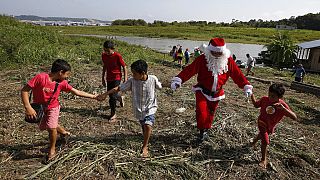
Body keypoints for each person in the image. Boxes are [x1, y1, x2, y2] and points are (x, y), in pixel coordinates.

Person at [171, 37, 253, 142]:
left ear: (223, 52)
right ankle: (201, 130)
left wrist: (246, 86)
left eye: (219, 53)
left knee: (211, 113)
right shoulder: (202, 59)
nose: (216, 55)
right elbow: (190, 70)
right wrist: (179, 80)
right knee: (201, 111)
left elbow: (238, 75)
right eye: (214, 53)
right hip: (202, 90)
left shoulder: (229, 61)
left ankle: (206, 129)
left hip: (217, 93)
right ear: (209, 50)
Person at [21, 59, 98, 161]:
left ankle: (52, 150)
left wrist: (94, 97)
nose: (67, 76)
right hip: (40, 108)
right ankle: (65, 133)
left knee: (51, 128)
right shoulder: (41, 77)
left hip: (53, 107)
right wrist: (28, 107)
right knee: (48, 126)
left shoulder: (62, 83)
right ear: (60, 72)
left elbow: (76, 92)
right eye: (67, 74)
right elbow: (25, 90)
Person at [97, 60, 162, 157]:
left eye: (135, 73)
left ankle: (145, 146)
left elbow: (159, 86)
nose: (133, 75)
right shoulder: (132, 81)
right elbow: (118, 88)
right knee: (144, 126)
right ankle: (146, 137)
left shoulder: (153, 79)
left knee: (148, 125)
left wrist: (171, 84)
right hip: (139, 109)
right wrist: (105, 94)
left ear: (143, 73)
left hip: (150, 108)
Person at [249, 83, 297, 169]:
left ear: (280, 97)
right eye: (269, 95)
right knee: (265, 141)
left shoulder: (281, 105)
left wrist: (284, 109)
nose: (270, 98)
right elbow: (256, 105)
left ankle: (253, 142)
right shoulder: (264, 99)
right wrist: (251, 95)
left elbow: (294, 117)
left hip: (270, 125)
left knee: (263, 134)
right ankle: (264, 159)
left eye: (273, 96)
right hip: (262, 122)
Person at [101, 40, 128, 121]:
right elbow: (105, 66)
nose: (106, 52)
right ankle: (120, 98)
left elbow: (124, 67)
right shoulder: (104, 55)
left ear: (113, 49)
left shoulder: (117, 56)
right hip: (108, 77)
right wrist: (102, 78)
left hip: (117, 77)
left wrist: (125, 79)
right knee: (111, 95)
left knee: (112, 97)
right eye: (105, 50)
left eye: (108, 51)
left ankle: (113, 114)